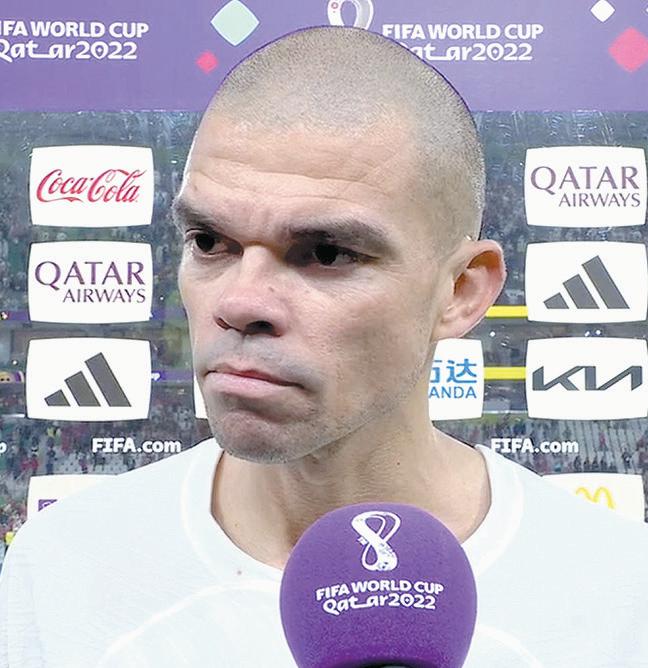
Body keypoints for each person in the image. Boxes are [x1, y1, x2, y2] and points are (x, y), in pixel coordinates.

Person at [1, 26, 648, 668]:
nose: (240, 302)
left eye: (327, 253)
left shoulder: (620, 593)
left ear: (460, 291)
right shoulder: (63, 567)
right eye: (210, 242)